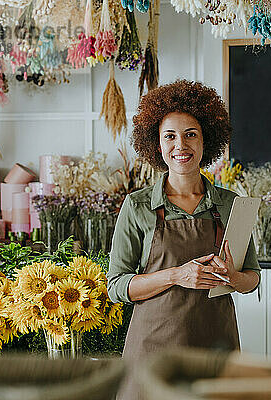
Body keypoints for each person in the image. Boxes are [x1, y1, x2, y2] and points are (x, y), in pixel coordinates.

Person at [107, 80, 261, 399]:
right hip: (153, 351)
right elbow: (117, 287)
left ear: (206, 140)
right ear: (157, 144)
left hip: (214, 349)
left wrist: (232, 277)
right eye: (170, 136)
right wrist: (178, 274)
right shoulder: (137, 206)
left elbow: (253, 278)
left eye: (191, 134)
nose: (181, 145)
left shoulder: (232, 205)